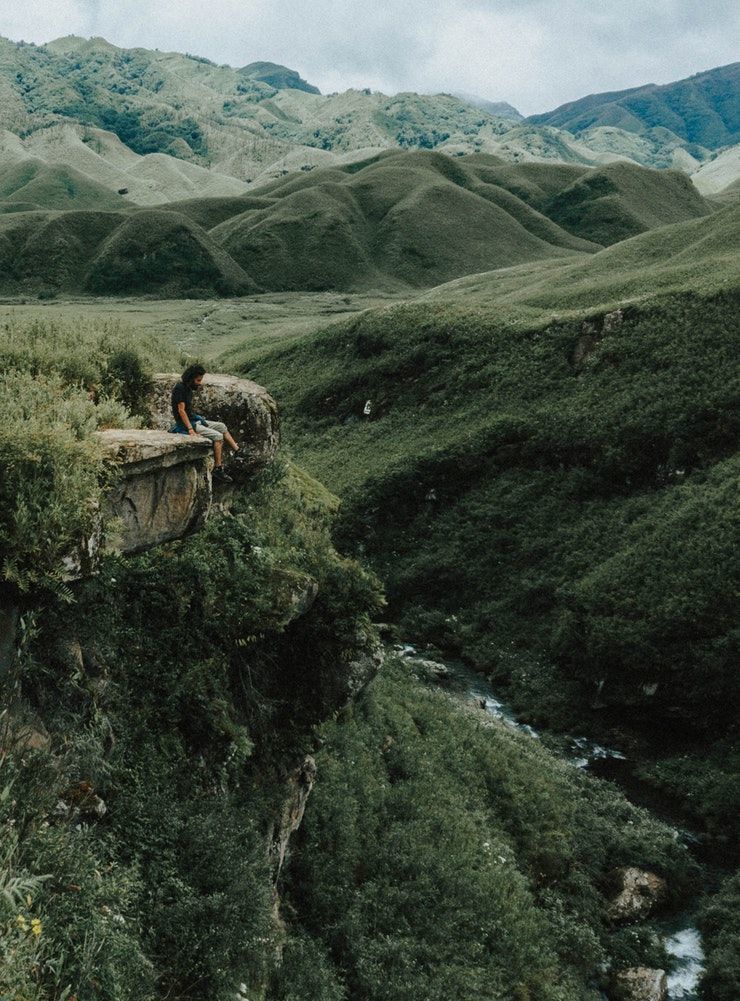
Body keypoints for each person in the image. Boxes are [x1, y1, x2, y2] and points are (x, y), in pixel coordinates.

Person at [170, 364, 240, 482]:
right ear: (191, 378)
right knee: (218, 437)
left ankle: (237, 451)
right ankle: (218, 469)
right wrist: (190, 429)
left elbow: (188, 411)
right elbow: (181, 411)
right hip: (186, 424)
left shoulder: (188, 389)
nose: (200, 383)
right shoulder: (180, 388)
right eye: (198, 380)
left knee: (222, 426)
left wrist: (198, 420)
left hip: (194, 419)